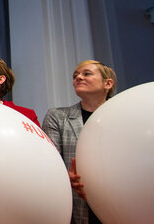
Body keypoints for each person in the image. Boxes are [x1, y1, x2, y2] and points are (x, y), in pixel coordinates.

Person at [42, 60, 116, 224]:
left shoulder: (124, 117)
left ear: (108, 83)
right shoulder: (58, 117)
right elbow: (49, 162)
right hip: (78, 204)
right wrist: (63, 176)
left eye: (86, 74)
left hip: (120, 201)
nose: (78, 78)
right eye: (75, 76)